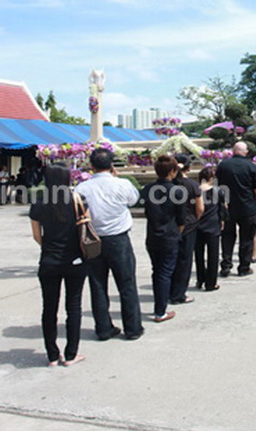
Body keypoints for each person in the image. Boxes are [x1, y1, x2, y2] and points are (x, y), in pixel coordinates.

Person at [75, 147, 143, 340]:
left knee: (97, 284)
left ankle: (103, 328)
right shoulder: (122, 184)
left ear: (91, 166)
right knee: (127, 283)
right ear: (112, 165)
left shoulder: (82, 188)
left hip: (93, 240)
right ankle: (133, 328)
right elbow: (133, 200)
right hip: (118, 238)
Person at [30, 163, 87, 366]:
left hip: (49, 261)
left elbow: (37, 236)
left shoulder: (39, 203)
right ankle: (71, 354)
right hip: (75, 260)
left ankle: (52, 355)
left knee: (49, 308)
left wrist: (51, 248)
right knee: (74, 307)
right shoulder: (77, 200)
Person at [142, 156, 185, 323]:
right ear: (173, 171)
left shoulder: (147, 189)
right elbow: (181, 218)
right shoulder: (177, 190)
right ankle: (160, 310)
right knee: (165, 272)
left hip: (153, 234)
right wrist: (178, 232)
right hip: (170, 234)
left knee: (157, 271)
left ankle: (159, 304)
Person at [216, 141, 256, 277]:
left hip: (228, 206)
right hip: (247, 206)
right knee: (247, 238)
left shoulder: (223, 165)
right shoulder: (251, 166)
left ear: (233, 151)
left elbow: (218, 186)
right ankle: (244, 267)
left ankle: (226, 265)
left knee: (227, 237)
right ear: (246, 152)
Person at [169, 155, 204, 304]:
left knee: (170, 260)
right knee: (185, 260)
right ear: (189, 168)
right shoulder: (192, 185)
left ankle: (169, 290)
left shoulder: (169, 184)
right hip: (189, 225)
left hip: (170, 225)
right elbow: (200, 208)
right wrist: (195, 219)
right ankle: (179, 293)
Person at [195, 166, 227, 291]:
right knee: (213, 255)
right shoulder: (218, 191)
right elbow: (223, 208)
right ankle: (211, 282)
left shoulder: (195, 190)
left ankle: (200, 279)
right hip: (213, 224)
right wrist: (223, 221)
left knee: (199, 254)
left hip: (198, 224)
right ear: (211, 178)